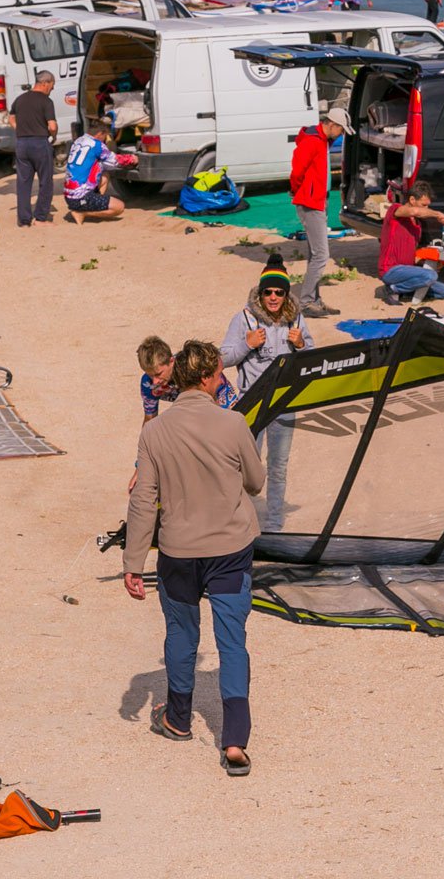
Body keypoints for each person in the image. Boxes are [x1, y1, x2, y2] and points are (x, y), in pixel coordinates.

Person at [123, 339, 262, 777]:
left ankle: (178, 719)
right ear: (205, 378)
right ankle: (234, 739)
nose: (223, 379)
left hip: (178, 552)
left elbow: (143, 501)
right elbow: (256, 482)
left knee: (181, 635)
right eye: (219, 373)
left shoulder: (154, 432)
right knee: (231, 641)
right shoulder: (233, 422)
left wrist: (132, 563)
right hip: (230, 550)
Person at [220, 259, 311, 518]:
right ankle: (243, 521)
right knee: (246, 467)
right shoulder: (243, 319)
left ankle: (274, 521)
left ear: (286, 295)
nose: (273, 297)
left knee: (278, 465)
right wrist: (247, 345)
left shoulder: (296, 319)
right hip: (253, 403)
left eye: (279, 292)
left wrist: (302, 345)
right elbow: (223, 358)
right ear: (260, 294)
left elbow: (314, 360)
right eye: (267, 292)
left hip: (284, 403)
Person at [289, 107, 348, 317]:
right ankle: (306, 303)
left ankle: (315, 300)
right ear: (331, 124)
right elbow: (297, 171)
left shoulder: (322, 140)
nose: (341, 135)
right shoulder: (313, 141)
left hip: (318, 201)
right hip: (310, 203)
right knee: (322, 255)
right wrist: (300, 191)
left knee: (315, 253)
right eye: (341, 130)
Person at [377, 181, 444, 305]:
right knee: (430, 276)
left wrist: (431, 263)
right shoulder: (396, 210)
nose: (426, 209)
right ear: (412, 200)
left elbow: (413, 255)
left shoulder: (417, 225)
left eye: (428, 205)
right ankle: (393, 289)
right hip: (390, 270)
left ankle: (405, 290)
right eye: (424, 205)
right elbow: (415, 211)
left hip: (408, 271)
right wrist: (437, 214)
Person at [139, 333, 238, 427]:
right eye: (150, 375)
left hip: (217, 391)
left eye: (158, 374)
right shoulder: (148, 383)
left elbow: (219, 404)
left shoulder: (191, 367)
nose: (155, 381)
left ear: (171, 361)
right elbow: (149, 422)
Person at [10, 71, 58, 226]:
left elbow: (11, 117)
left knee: (23, 183)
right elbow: (52, 126)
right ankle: (40, 217)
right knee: (46, 181)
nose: (52, 89)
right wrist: (54, 136)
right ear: (45, 83)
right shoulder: (46, 101)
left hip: (22, 143)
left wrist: (19, 129)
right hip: (40, 143)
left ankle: (24, 220)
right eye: (52, 85)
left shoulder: (20, 99)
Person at [63, 123, 133, 224]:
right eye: (105, 136)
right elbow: (115, 161)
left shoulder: (79, 140)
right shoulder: (97, 144)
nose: (105, 140)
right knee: (119, 207)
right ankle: (82, 212)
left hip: (69, 196)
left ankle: (91, 203)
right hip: (80, 198)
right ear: (100, 134)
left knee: (105, 175)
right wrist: (132, 159)